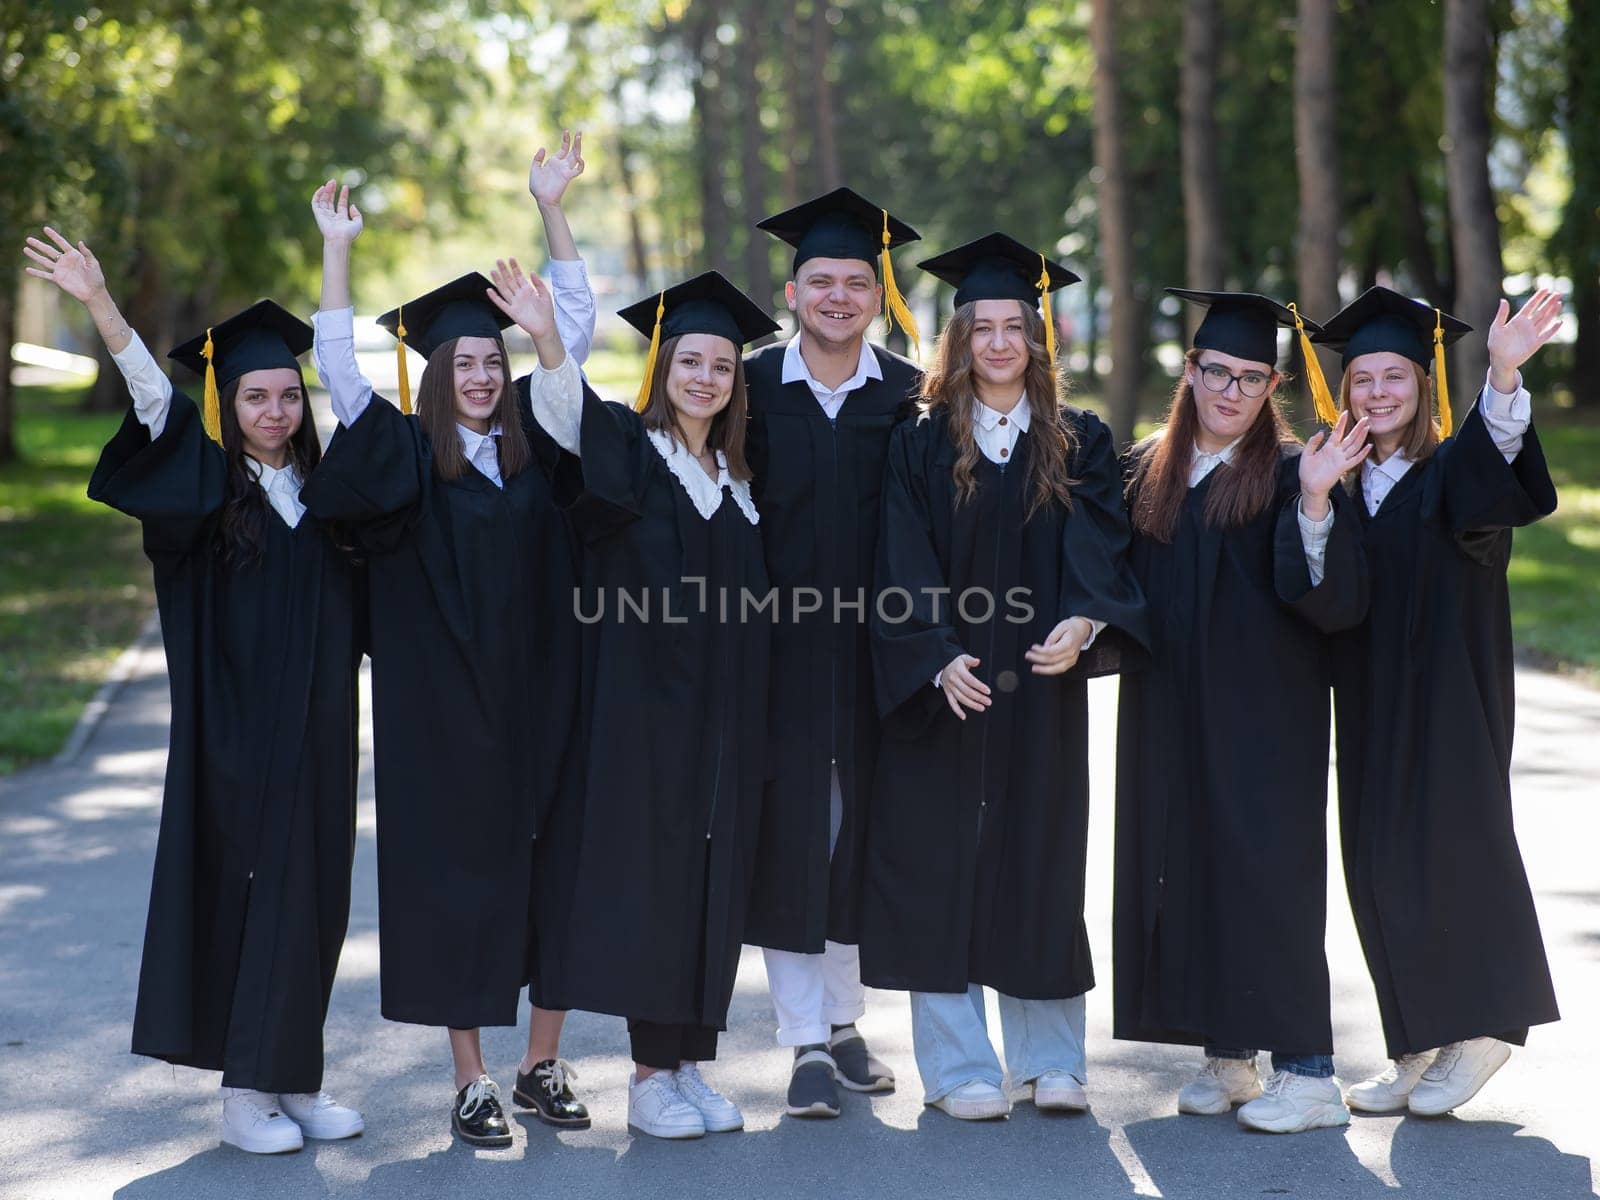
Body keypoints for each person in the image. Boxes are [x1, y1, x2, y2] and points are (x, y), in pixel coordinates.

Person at [25, 229, 365, 1154]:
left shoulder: (327, 496)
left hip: (324, 736)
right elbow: (154, 406)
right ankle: (243, 1095)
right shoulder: (211, 487)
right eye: (255, 394)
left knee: (316, 902)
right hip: (238, 737)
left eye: (289, 394)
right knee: (250, 894)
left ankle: (294, 1077)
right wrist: (102, 307)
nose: (275, 410)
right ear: (229, 399)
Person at [300, 133, 596, 1148]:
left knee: (558, 871)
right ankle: (472, 1078)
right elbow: (336, 367)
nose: (479, 376)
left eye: (491, 361)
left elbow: (573, 343)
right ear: (435, 375)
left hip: (548, 697)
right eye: (462, 363)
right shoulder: (404, 462)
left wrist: (553, 212)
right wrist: (337, 252)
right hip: (442, 716)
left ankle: (543, 1062)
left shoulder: (545, 451)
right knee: (458, 885)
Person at [863, 232, 1148, 1121]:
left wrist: (1087, 617)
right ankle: (957, 1071)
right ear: (956, 342)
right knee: (935, 864)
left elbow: (1103, 542)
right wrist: (933, 652)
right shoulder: (915, 444)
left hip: (1039, 688)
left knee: (1042, 858)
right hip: (947, 688)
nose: (995, 343)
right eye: (978, 327)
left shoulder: (1079, 442)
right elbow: (897, 558)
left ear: (1037, 338)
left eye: (1011, 327)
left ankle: (1051, 1060)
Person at [516, 265, 777, 1140]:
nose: (705, 378)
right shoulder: (629, 451)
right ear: (663, 367)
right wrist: (549, 336)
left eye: (722, 367)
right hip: (645, 723)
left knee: (714, 885)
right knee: (659, 890)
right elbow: (562, 412)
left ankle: (692, 1063)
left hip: (725, 727)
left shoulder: (739, 479)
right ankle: (647, 1077)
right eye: (689, 361)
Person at [1112, 289, 1372, 1135]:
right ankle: (1227, 1056)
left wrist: (1319, 505)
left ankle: (1308, 1070)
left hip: (1269, 717)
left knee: (1267, 880)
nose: (1230, 389)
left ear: (1272, 388)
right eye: (1216, 371)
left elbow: (1331, 603)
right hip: (1169, 705)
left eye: (1251, 377)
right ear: (1187, 371)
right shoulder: (1150, 467)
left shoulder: (1302, 468)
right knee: (1184, 865)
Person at [1314, 285, 1564, 1118]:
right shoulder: (1340, 479)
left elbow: (1498, 459)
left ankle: (1487, 1027)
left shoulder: (1451, 468)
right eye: (1362, 380)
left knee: (1457, 851)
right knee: (1377, 864)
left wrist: (1501, 375)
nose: (1378, 392)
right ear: (1343, 391)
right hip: (1370, 701)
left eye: (1395, 376)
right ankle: (1417, 1042)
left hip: (1452, 695)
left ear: (1424, 385)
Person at [743, 186, 922, 1117]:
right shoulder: (747, 383)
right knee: (793, 841)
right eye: (823, 281)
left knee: (860, 838)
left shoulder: (909, 396)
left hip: (876, 652)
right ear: (793, 290)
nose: (841, 296)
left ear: (878, 294)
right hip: (776, 655)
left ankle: (848, 1025)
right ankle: (805, 1040)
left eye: (858, 281)